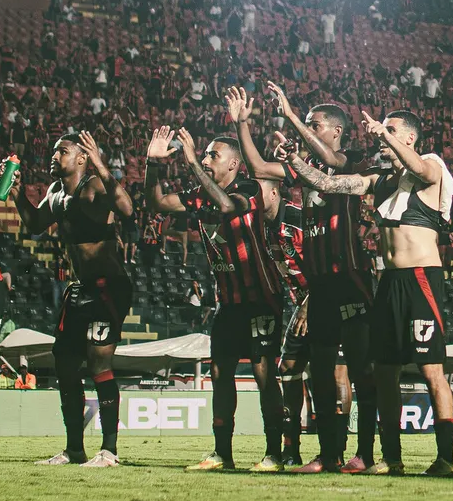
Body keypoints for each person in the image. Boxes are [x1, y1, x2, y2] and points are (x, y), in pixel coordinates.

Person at [277, 108, 453, 476]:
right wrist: (294, 159)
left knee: (431, 370)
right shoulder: (381, 179)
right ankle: (391, 458)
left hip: (421, 278)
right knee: (386, 372)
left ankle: (446, 458)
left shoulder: (431, 165)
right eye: (381, 130)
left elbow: (420, 170)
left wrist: (383, 134)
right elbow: (328, 184)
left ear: (409, 138)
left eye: (391, 130)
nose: (381, 136)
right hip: (389, 282)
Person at [233, 84, 377, 474]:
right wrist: (242, 124)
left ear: (336, 130)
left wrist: (292, 116)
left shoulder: (349, 160)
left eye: (315, 124)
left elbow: (329, 159)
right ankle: (329, 455)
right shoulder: (304, 166)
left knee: (360, 370)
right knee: (321, 371)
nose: (308, 130)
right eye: (307, 124)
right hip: (321, 285)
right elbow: (259, 169)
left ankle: (365, 453)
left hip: (350, 278)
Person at [145, 126, 285, 473]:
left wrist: (192, 161)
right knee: (220, 374)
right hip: (228, 302)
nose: (206, 159)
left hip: (261, 298)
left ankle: (274, 453)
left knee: (263, 374)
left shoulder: (249, 188)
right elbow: (157, 203)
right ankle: (222, 453)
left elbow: (226, 206)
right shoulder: (198, 195)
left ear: (234, 164)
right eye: (205, 154)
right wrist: (153, 164)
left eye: (213, 155)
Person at [8, 131, 133, 467]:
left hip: (108, 287)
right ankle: (74, 449)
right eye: (53, 151)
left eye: (61, 151)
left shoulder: (93, 187)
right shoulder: (55, 192)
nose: (54, 156)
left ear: (81, 158)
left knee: (98, 364)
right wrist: (18, 195)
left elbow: (126, 208)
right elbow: (35, 223)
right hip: (80, 288)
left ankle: (109, 450)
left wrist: (102, 166)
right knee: (63, 361)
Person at [257, 179, 310, 468]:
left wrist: (308, 305)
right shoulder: (264, 227)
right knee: (288, 367)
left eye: (259, 191)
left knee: (336, 372)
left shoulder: (297, 218)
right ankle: (291, 449)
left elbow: (325, 261)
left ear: (275, 192)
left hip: (324, 300)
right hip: (300, 303)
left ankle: (336, 452)